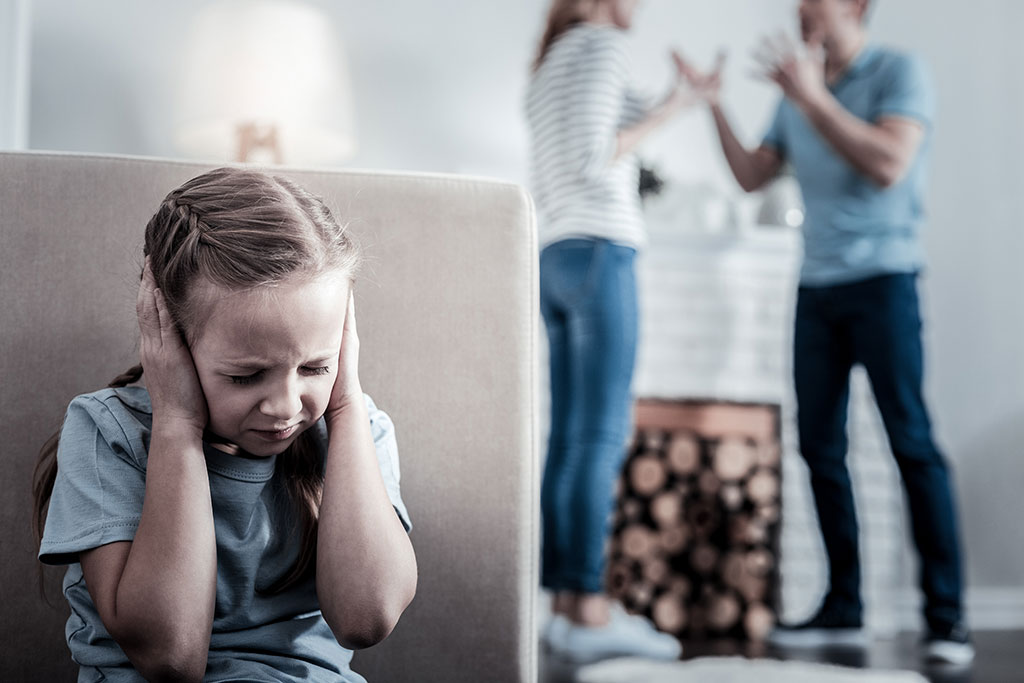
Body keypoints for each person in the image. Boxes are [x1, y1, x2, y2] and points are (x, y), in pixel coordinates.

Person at [31, 168, 418, 682]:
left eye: (315, 367)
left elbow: (366, 617)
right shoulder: (109, 433)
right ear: (168, 339)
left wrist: (344, 401)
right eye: (246, 375)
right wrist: (177, 423)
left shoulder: (355, 431)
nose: (284, 406)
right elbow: (171, 657)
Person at [682, 0, 973, 665]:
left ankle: (947, 617)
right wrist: (713, 105)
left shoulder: (899, 72)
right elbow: (753, 175)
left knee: (911, 441)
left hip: (885, 283)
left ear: (854, 5)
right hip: (815, 290)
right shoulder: (797, 90)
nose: (800, 10)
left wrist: (811, 98)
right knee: (819, 446)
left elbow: (889, 162)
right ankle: (843, 605)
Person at [526, 0, 708, 664]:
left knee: (571, 435)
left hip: (555, 254)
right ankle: (591, 607)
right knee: (600, 434)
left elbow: (600, 126)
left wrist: (679, 98)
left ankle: (564, 607)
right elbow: (598, 152)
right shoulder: (602, 45)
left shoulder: (552, 61)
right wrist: (669, 111)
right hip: (603, 249)